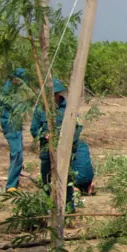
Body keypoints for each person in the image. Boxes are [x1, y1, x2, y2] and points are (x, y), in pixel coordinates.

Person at [31, 78, 81, 210]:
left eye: (52, 94)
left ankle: (69, 208)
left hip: (65, 152)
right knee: (47, 179)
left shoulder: (69, 109)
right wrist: (44, 135)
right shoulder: (40, 110)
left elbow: (77, 128)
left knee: (67, 180)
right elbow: (34, 129)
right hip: (47, 153)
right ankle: (50, 208)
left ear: (58, 94)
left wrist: (67, 140)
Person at [0, 67, 29, 192]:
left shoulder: (13, 89)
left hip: (15, 126)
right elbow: (16, 107)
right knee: (17, 155)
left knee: (18, 154)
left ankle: (13, 183)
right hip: (11, 127)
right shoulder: (8, 92)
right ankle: (11, 185)